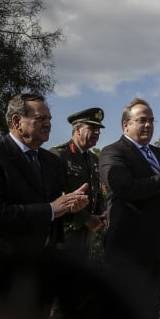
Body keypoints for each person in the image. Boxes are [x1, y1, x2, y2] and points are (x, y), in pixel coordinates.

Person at [0, 93, 90, 319]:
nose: (49, 123)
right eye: (41, 118)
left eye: (49, 118)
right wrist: (52, 209)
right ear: (16, 122)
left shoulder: (51, 162)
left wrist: (71, 207)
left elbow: (53, 215)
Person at [98, 98, 160, 319]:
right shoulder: (112, 153)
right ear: (126, 125)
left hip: (157, 249)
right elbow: (126, 189)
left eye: (151, 120)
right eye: (141, 120)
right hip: (128, 252)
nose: (148, 125)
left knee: (149, 312)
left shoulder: (159, 153)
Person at [51, 107, 107, 261]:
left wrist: (102, 214)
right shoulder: (59, 155)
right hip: (65, 233)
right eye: (92, 128)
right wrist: (86, 218)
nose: (97, 133)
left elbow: (97, 193)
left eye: (99, 129)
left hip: (87, 235)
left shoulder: (94, 159)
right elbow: (55, 195)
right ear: (77, 129)